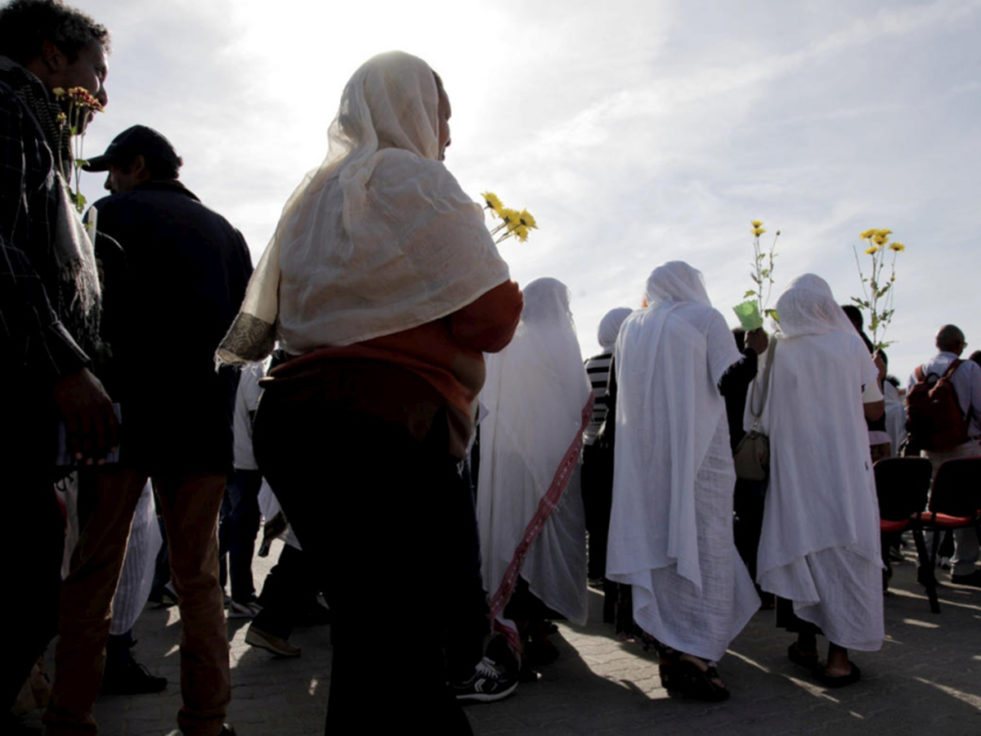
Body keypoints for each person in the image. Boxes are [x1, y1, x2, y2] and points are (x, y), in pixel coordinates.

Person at [217, 52, 523, 733]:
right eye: (440, 114)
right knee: (414, 634)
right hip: (384, 424)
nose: (447, 134)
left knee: (369, 629)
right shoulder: (418, 182)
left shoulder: (311, 198)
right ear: (410, 109)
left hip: (295, 421)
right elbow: (492, 319)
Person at [44, 124, 252, 736]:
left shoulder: (108, 215)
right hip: (199, 429)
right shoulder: (226, 234)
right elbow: (245, 333)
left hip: (117, 422)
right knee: (199, 579)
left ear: (137, 165)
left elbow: (77, 307)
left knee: (92, 574)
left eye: (113, 168)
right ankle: (207, 721)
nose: (107, 181)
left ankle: (69, 716)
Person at [0, 0, 117, 720]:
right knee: (24, 591)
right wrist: (65, 368)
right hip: (16, 385)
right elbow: (2, 251)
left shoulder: (35, 124)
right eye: (95, 74)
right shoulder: (10, 110)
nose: (101, 96)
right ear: (51, 56)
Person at [606, 261, 759, 702]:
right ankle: (697, 655)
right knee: (704, 547)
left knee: (660, 548)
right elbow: (729, 382)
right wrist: (753, 350)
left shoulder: (630, 327)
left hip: (646, 464)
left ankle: (671, 653)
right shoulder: (705, 318)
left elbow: (619, 401)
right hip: (697, 460)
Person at [755, 274, 885, 687]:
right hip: (844, 471)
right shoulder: (850, 345)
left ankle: (806, 644)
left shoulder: (777, 351)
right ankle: (839, 660)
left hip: (797, 474)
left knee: (805, 551)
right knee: (845, 551)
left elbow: (755, 412)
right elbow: (875, 412)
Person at [477, 277, 593, 667]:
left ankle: (522, 631)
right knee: (542, 542)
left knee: (517, 538)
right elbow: (580, 401)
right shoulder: (560, 340)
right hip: (550, 463)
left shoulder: (509, 345)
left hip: (510, 462)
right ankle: (535, 630)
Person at [908, 324, 981, 586]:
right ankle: (963, 566)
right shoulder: (969, 369)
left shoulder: (918, 372)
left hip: (930, 448)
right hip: (964, 447)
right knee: (968, 506)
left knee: (934, 505)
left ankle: (924, 562)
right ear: (959, 344)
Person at [582, 306, 632, 585]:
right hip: (619, 448)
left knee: (597, 515)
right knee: (618, 512)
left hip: (590, 447)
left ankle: (595, 570)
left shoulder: (587, 365)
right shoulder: (627, 363)